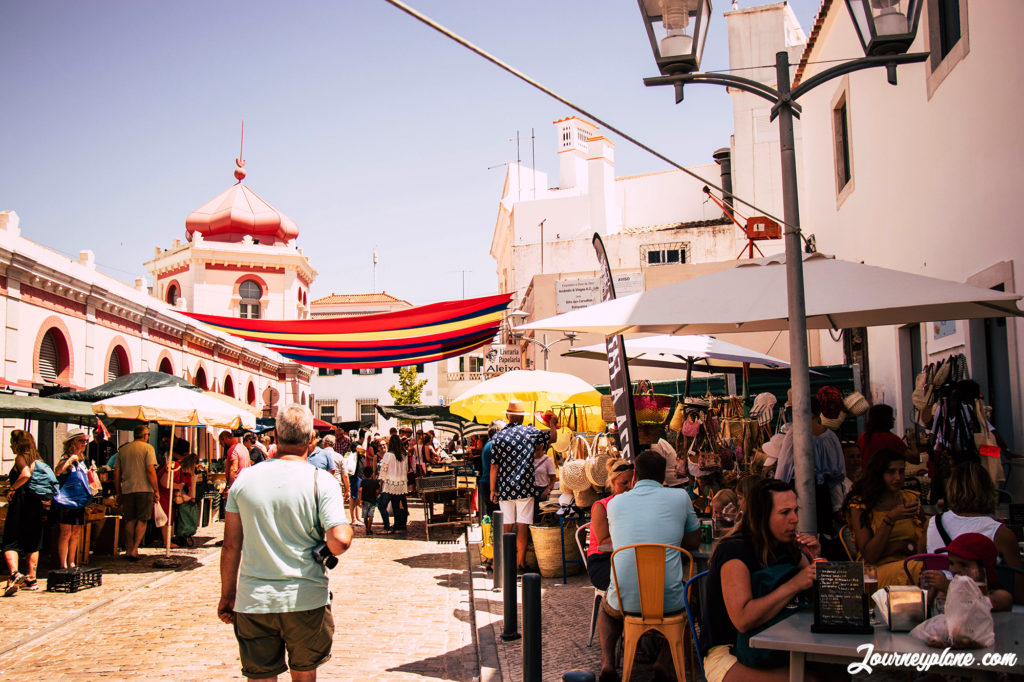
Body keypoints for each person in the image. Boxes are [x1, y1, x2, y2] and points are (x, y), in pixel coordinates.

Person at [219, 404, 353, 681]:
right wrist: (327, 547)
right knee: (304, 674)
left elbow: (231, 545)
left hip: (255, 599)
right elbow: (340, 540)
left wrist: (228, 594)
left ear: (275, 436)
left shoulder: (244, 479)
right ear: (312, 439)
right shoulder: (321, 481)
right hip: (305, 598)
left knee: (260, 676)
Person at [702, 479, 822, 682]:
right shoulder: (734, 551)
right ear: (762, 516)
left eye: (795, 510)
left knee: (838, 671)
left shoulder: (786, 545)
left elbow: (818, 595)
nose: (794, 519)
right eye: (785, 513)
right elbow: (743, 620)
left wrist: (815, 558)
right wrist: (794, 584)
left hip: (778, 642)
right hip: (730, 652)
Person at [598, 449, 701, 682]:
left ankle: (607, 663)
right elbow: (694, 541)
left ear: (635, 475)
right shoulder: (680, 497)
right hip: (670, 601)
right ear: (663, 476)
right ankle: (664, 659)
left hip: (625, 601)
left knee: (607, 609)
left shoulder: (615, 503)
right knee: (693, 598)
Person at [926, 461, 1024, 603]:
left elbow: (923, 564)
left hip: (940, 605)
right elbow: (1019, 592)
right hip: (983, 606)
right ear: (989, 489)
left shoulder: (931, 524)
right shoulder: (1001, 534)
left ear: (951, 489)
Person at [843, 448, 923, 589]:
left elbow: (921, 546)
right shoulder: (860, 504)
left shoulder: (910, 499)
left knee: (931, 570)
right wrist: (890, 519)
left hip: (909, 564)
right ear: (879, 474)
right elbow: (870, 555)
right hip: (872, 573)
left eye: (901, 471)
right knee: (919, 569)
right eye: (891, 472)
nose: (897, 477)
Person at [489, 400, 553, 573]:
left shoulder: (498, 437)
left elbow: (494, 466)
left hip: (505, 488)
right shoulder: (530, 432)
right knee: (523, 525)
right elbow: (552, 438)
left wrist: (492, 489)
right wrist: (552, 424)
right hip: (525, 486)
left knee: (507, 526)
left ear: (508, 416)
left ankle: (503, 563)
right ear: (523, 418)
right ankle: (520, 563)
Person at [773, 396, 846, 537]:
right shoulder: (831, 437)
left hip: (799, 493)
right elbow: (838, 475)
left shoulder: (794, 435)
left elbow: (783, 471)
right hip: (824, 494)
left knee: (801, 533)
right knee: (822, 533)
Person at [923, 532, 1013, 615]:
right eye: (951, 563)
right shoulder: (943, 590)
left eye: (963, 565)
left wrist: (948, 589)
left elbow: (981, 603)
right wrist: (927, 593)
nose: (954, 570)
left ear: (983, 569)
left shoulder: (1000, 596)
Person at [3, 431, 46, 595]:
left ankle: (15, 574)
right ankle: (31, 579)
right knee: (33, 541)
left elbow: (26, 474)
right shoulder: (38, 460)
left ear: (18, 443)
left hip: (21, 503)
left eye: (12, 442)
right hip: (35, 503)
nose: (10, 445)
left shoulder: (20, 458)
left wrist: (12, 488)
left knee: (10, 541)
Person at [585, 459, 634, 592]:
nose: (630, 487)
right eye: (624, 483)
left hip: (625, 556)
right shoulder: (601, 507)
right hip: (602, 560)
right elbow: (604, 544)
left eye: (633, 482)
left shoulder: (634, 504)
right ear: (613, 483)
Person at [115, 424, 160, 561]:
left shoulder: (123, 450)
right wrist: (156, 489)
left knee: (129, 520)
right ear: (145, 436)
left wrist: (118, 491)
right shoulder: (148, 448)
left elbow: (116, 472)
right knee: (142, 519)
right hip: (144, 489)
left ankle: (128, 549)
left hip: (127, 489)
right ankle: (135, 549)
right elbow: (150, 470)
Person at [54, 428, 92, 569]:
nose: (84, 444)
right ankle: (63, 564)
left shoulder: (83, 460)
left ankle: (72, 562)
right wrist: (70, 460)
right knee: (65, 532)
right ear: (72, 442)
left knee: (76, 532)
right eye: (81, 441)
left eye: (85, 441)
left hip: (79, 498)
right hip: (67, 499)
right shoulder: (66, 457)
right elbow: (57, 471)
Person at [857, 403, 918, 474]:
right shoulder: (892, 439)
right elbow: (915, 459)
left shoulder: (862, 437)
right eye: (891, 416)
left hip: (866, 477)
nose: (893, 419)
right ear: (885, 419)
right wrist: (912, 440)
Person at [156, 439, 192, 549]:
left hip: (167, 495)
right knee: (166, 518)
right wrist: (178, 486)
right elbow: (164, 482)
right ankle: (166, 542)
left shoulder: (178, 468)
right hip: (162, 494)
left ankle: (167, 540)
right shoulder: (175, 466)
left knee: (168, 517)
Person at [377, 434, 409, 535]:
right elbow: (406, 470)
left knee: (381, 505)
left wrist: (380, 485)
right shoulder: (404, 455)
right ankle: (396, 527)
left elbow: (383, 471)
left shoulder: (388, 455)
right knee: (396, 507)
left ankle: (387, 527)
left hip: (389, 484)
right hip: (400, 484)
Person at [478, 422, 502, 518]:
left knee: (492, 515)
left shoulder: (488, 444)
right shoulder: (494, 445)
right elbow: (494, 467)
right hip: (491, 484)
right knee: (497, 517)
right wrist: (493, 489)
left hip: (486, 483)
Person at [532, 444, 556, 517]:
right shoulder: (528, 459)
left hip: (541, 491)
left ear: (542, 446)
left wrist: (546, 490)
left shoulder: (548, 460)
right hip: (530, 490)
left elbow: (553, 479)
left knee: (539, 515)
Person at [358, 466, 380, 535]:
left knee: (365, 516)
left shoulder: (363, 482)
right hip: (373, 501)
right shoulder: (375, 482)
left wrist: (360, 500)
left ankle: (367, 528)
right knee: (371, 515)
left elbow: (360, 490)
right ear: (372, 473)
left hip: (365, 501)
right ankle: (369, 529)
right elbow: (377, 491)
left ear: (364, 474)